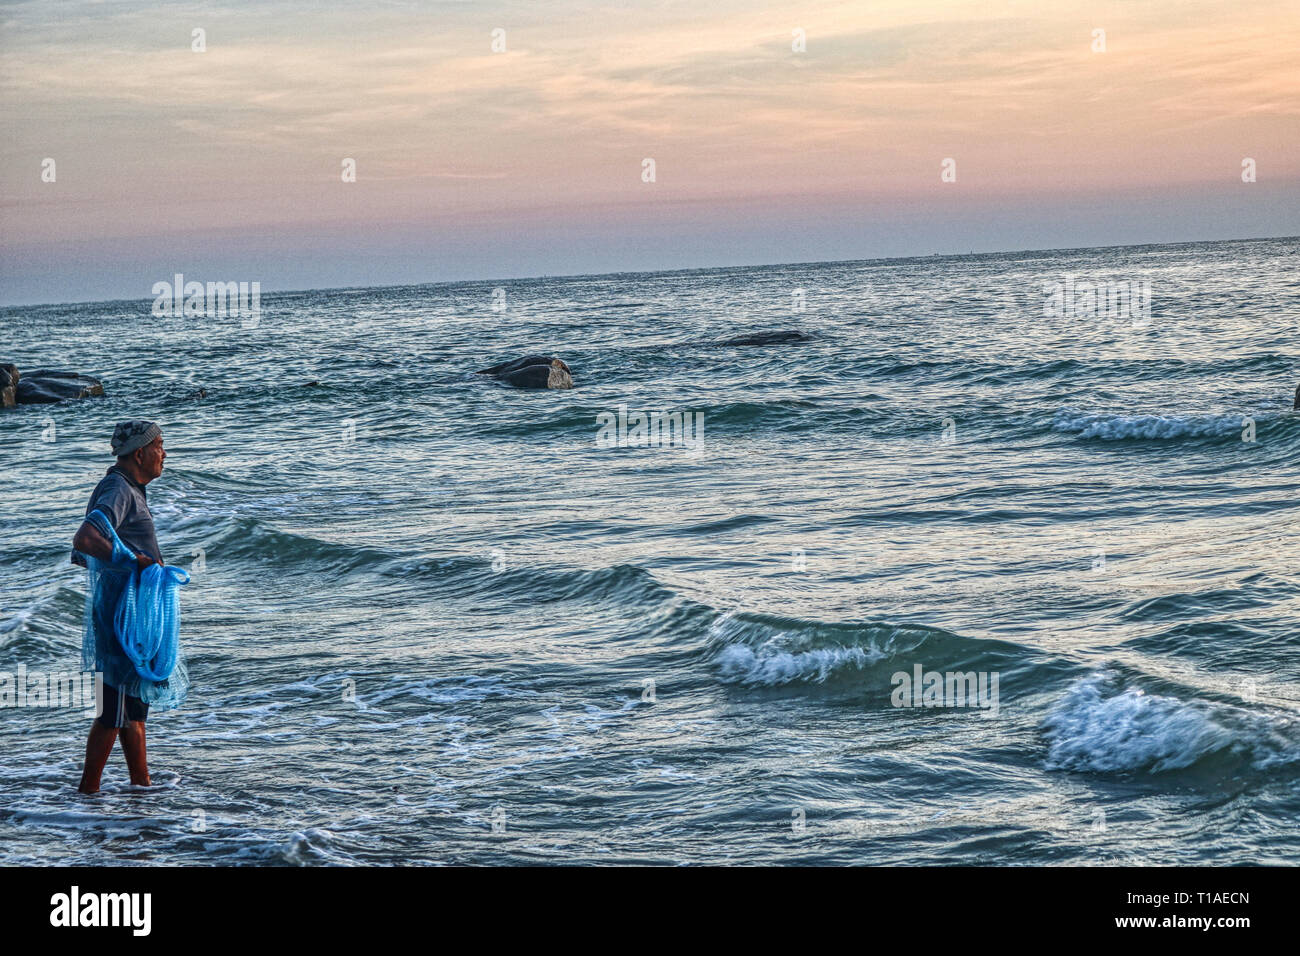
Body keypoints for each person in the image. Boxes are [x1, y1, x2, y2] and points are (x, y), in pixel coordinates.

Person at [71, 420, 167, 794]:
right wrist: (132, 562)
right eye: (160, 445)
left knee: (132, 706)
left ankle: (141, 788)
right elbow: (85, 538)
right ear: (140, 453)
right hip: (119, 617)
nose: (165, 453)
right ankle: (87, 792)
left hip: (129, 616)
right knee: (112, 709)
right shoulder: (118, 488)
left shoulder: (130, 489)